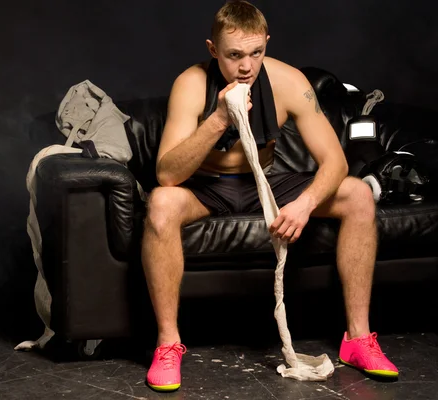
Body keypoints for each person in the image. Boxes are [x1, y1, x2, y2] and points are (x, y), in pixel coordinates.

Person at [141, 0, 399, 392]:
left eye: (255, 52)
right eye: (234, 55)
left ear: (266, 43)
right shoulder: (191, 84)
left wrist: (305, 204)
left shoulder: (288, 81)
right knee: (160, 203)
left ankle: (358, 339)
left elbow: (335, 162)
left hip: (266, 181)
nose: (246, 66)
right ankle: (167, 344)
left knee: (358, 195)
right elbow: (167, 173)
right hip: (208, 187)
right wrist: (218, 120)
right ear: (213, 50)